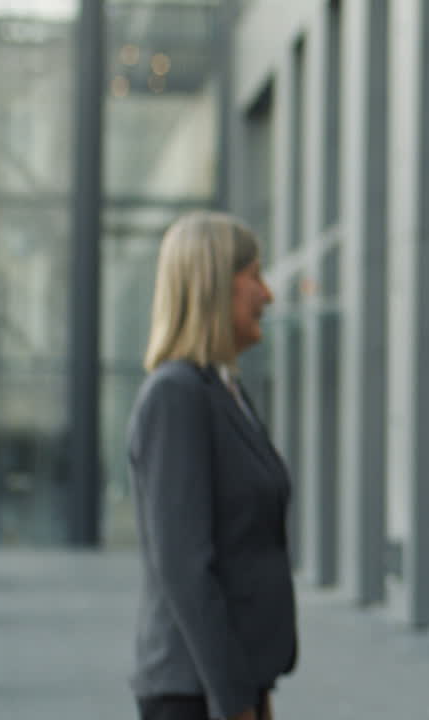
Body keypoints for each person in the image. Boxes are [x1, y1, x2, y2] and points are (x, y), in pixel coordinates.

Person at [127, 211, 296, 720]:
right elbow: (185, 567)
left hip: (233, 681)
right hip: (195, 691)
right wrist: (234, 701)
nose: (267, 295)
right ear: (215, 285)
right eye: (255, 276)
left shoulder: (224, 390)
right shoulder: (175, 396)